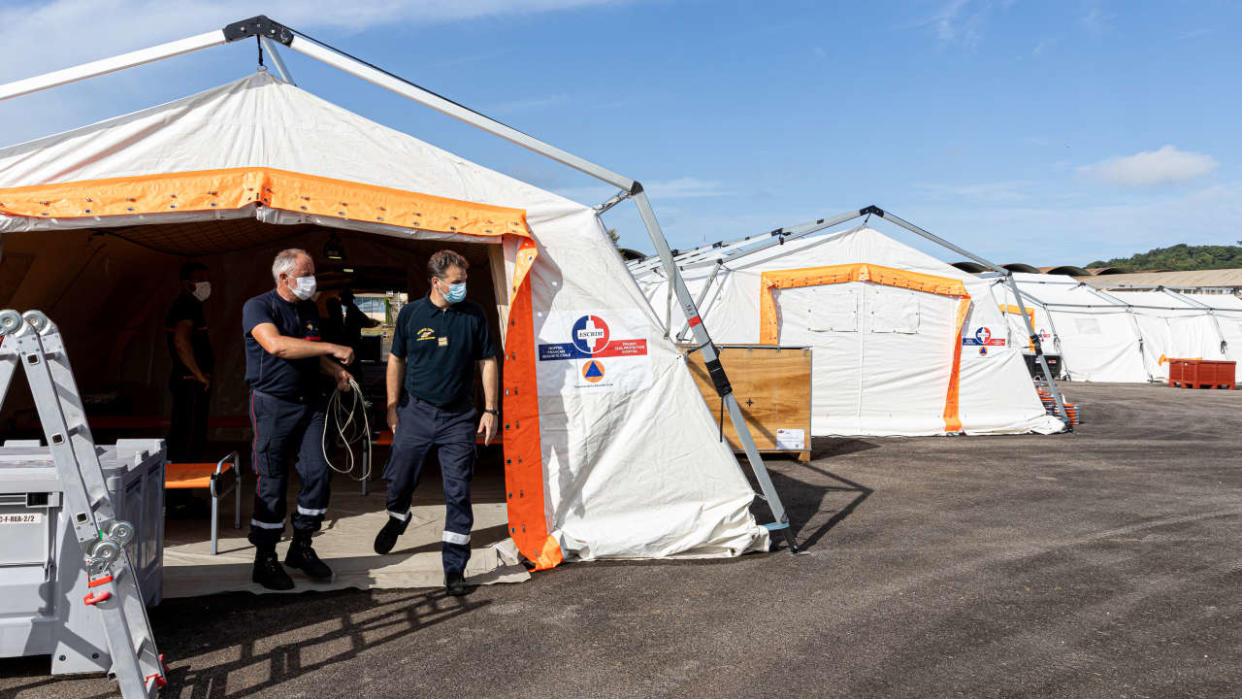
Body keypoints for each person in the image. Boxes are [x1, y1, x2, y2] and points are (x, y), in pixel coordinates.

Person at [373, 250, 498, 596]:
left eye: (465, 281)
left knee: (458, 491)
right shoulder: (411, 314)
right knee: (399, 478)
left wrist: (491, 409)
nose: (463, 288)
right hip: (416, 412)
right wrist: (393, 405)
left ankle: (455, 567)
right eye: (457, 282)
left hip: (458, 417)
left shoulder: (473, 315)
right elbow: (396, 360)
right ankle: (398, 516)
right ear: (435, 282)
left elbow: (487, 360)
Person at [242, 248, 356, 590]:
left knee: (319, 473)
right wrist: (332, 349)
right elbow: (276, 346)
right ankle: (265, 558)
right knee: (272, 480)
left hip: (311, 404)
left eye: (312, 274)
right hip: (272, 405)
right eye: (306, 275)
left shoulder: (307, 308)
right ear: (284, 277)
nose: (312, 281)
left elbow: (308, 351)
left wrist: (335, 371)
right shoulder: (258, 307)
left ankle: (302, 545)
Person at [166, 261, 214, 463]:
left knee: (190, 434)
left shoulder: (193, 306)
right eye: (200, 280)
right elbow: (180, 341)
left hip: (191, 381)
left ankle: (184, 492)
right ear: (186, 283)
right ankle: (180, 491)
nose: (206, 284)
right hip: (189, 382)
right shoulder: (185, 307)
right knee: (188, 437)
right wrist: (198, 374)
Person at [339, 288, 381, 356]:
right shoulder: (351, 309)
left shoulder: (353, 310)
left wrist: (374, 322)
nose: (340, 300)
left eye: (342, 298)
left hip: (352, 342)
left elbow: (365, 321)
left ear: (347, 299)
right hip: (351, 342)